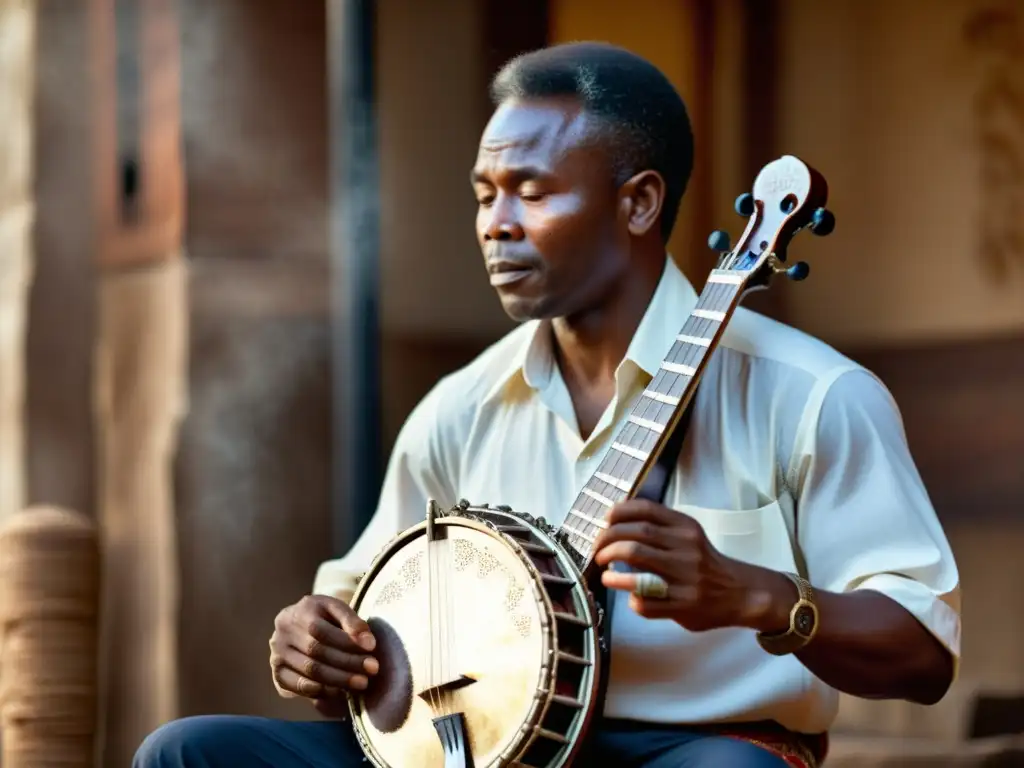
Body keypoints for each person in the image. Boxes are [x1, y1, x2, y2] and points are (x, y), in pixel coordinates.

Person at [134, 42, 960, 768]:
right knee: (185, 752)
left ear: (638, 203)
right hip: (480, 746)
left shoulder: (812, 395)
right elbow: (361, 608)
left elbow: (924, 655)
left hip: (695, 749)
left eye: (530, 191)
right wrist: (315, 644)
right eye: (484, 194)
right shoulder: (460, 409)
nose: (496, 224)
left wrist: (754, 594)